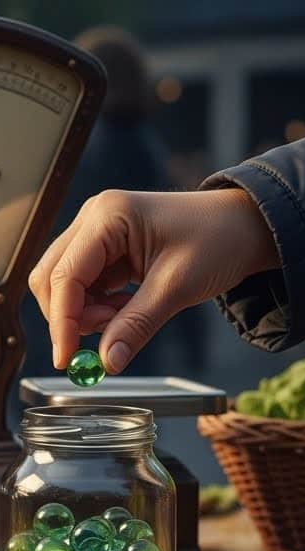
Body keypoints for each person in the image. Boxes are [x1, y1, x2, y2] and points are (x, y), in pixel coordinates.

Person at [29, 122, 305, 374]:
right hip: (132, 277)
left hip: (129, 274)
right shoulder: (146, 142)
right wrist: (256, 219)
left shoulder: (86, 148)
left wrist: (255, 217)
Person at [22, 27, 203, 382]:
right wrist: (193, 340)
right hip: (131, 313)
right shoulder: (144, 145)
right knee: (125, 428)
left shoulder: (63, 145)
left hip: (58, 310)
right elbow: (172, 244)